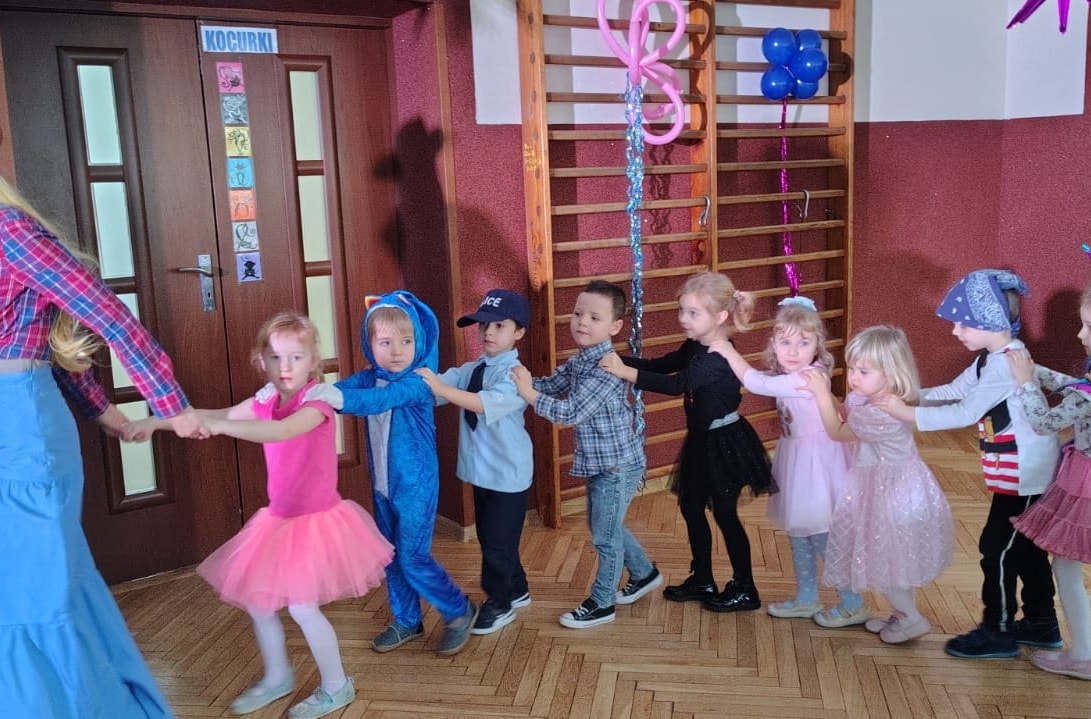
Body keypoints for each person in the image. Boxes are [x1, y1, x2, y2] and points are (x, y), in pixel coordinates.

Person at [0, 175, 207, 717]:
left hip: (20, 433)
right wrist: (109, 414)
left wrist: (170, 403)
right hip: (19, 426)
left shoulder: (9, 230)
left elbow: (107, 315)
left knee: (41, 596)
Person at [131, 312, 393, 718]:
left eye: (295, 357)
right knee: (259, 602)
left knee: (302, 607)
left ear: (313, 361)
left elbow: (278, 432)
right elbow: (216, 414)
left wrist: (220, 428)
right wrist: (156, 422)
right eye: (275, 358)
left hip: (317, 523)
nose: (284, 367)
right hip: (278, 520)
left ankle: (337, 686)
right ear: (261, 361)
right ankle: (277, 676)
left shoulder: (317, 404)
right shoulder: (268, 399)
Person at [880, 269, 1060, 659]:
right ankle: (1041, 623)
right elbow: (954, 390)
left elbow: (964, 411)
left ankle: (998, 631)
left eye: (964, 323)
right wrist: (910, 395)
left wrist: (905, 413)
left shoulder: (1003, 364)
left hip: (1027, 474)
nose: (955, 330)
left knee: (997, 550)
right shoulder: (990, 360)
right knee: (1025, 548)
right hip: (1018, 472)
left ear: (991, 321)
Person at [305, 291, 479, 655]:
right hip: (384, 486)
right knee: (390, 553)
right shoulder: (371, 376)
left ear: (419, 342)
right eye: (385, 342)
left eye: (406, 341)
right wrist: (306, 395)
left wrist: (337, 400)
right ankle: (407, 620)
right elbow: (340, 390)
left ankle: (459, 610)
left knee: (413, 557)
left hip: (416, 486)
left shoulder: (418, 382)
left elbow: (377, 402)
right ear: (369, 345)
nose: (397, 351)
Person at [599, 272, 775, 614]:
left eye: (693, 312)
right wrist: (618, 360)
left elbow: (677, 384)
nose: (683, 318)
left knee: (725, 514)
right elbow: (661, 366)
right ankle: (702, 579)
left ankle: (745, 588)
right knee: (691, 508)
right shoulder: (695, 345)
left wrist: (624, 373)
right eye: (682, 310)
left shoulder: (718, 356)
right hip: (701, 441)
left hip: (724, 444)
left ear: (720, 316)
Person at [711, 296, 866, 627]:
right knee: (798, 531)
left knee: (821, 535)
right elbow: (768, 379)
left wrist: (726, 350)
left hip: (816, 464)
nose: (793, 351)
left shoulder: (806, 377)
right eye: (785, 342)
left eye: (803, 342)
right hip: (796, 457)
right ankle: (807, 597)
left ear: (817, 345)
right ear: (774, 344)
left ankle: (853, 603)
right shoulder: (792, 373)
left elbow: (756, 383)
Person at [512, 279, 659, 628]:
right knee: (606, 526)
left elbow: (571, 412)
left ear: (615, 327)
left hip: (616, 466)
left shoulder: (606, 368)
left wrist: (528, 394)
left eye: (594, 317)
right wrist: (519, 383)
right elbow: (551, 386)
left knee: (604, 537)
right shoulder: (581, 360)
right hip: (603, 463)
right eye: (578, 314)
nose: (582, 322)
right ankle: (644, 573)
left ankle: (602, 603)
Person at [801, 325, 955, 644]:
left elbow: (837, 432)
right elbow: (849, 408)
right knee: (894, 559)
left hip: (892, 494)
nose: (854, 377)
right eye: (852, 368)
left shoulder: (881, 412)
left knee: (883, 559)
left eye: (864, 371)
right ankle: (902, 612)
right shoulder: (872, 398)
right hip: (894, 487)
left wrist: (820, 394)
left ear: (891, 373)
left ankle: (912, 619)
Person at [416, 289, 534, 635]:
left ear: (519, 332)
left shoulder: (514, 375)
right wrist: (415, 381)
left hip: (508, 474)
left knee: (496, 542)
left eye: (499, 325)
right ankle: (518, 587)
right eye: (483, 325)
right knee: (493, 536)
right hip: (483, 473)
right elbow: (441, 387)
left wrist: (442, 389)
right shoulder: (473, 368)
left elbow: (482, 403)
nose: (488, 332)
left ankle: (500, 603)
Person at [1006, 284, 1091, 681]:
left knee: (1067, 566)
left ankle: (1085, 654)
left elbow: (1043, 422)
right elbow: (1076, 387)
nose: (1080, 334)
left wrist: (1026, 383)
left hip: (1084, 484)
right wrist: (1034, 371)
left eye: (1088, 326)